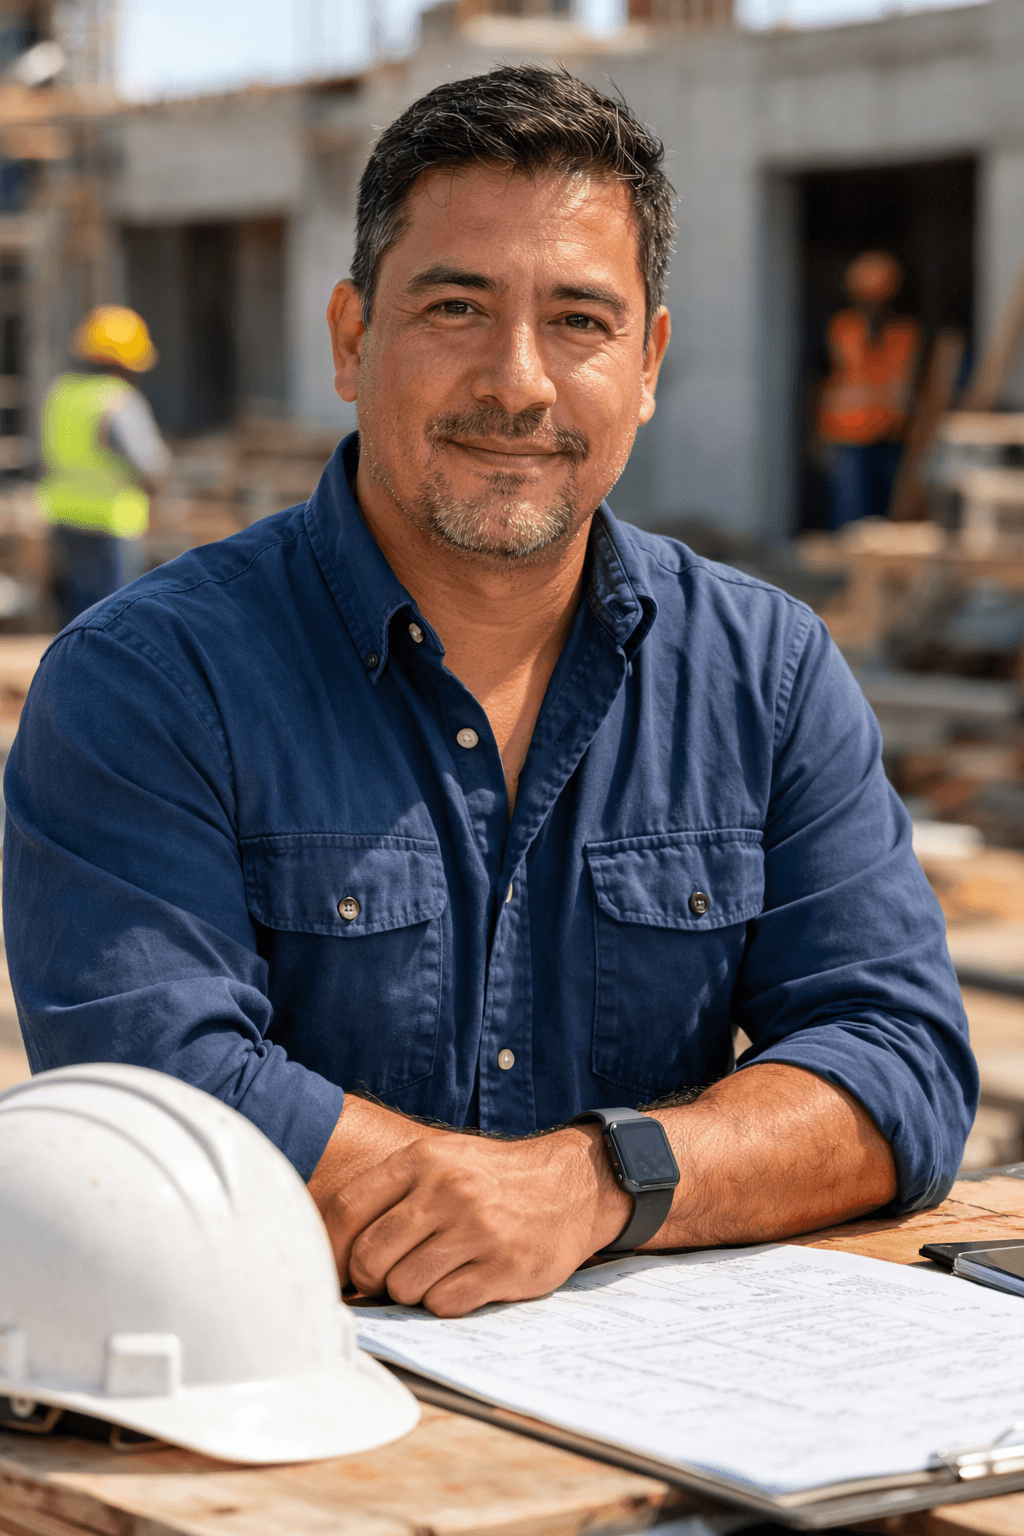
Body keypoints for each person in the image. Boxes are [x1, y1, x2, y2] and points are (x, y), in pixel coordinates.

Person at [5, 69, 974, 1319]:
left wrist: (589, 1185)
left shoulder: (766, 673)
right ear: (353, 340)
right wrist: (489, 1205)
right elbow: (155, 1100)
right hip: (276, 1442)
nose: (518, 382)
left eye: (579, 320)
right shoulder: (150, 684)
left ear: (649, 363)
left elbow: (896, 1061)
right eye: (457, 305)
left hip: (675, 1434)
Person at [38, 305, 171, 626]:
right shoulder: (117, 400)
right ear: (126, 361)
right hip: (112, 524)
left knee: (73, 618)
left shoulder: (59, 393)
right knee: (115, 621)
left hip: (63, 518)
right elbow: (152, 466)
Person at [817, 251, 921, 529]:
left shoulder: (905, 332)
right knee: (851, 508)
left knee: (888, 510)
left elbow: (902, 384)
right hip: (848, 431)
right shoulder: (843, 327)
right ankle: (847, 569)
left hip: (891, 431)